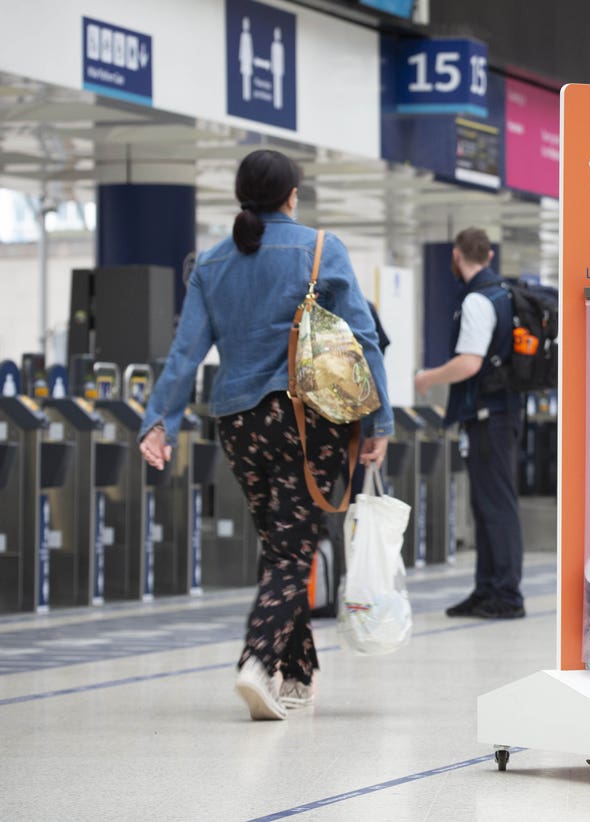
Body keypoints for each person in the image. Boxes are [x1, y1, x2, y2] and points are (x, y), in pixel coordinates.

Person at [138, 149, 393, 721]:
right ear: (292, 196)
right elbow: (365, 338)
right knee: (292, 548)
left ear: (241, 197)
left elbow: (186, 353)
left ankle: (297, 676)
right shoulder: (319, 249)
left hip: (238, 423)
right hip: (305, 420)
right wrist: (379, 421)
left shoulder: (210, 263)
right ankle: (257, 660)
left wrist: (160, 421)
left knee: (282, 545)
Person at [415, 228, 526, 619]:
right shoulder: (502, 294)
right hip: (499, 414)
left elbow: (470, 362)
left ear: (457, 257)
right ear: (490, 255)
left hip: (490, 417)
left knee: (496, 505)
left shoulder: (480, 299)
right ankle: (487, 589)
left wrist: (428, 377)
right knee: (488, 505)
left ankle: (506, 595)